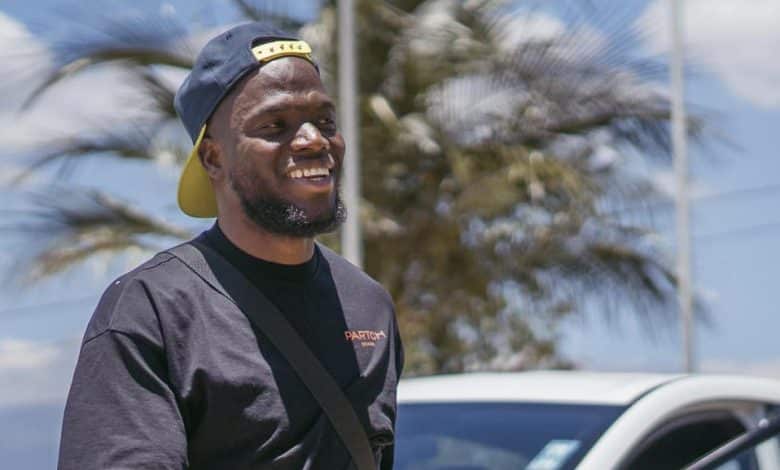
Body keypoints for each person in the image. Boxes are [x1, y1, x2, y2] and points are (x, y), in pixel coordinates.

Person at [58, 22, 403, 470]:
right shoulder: (153, 310)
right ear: (213, 158)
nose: (314, 140)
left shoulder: (369, 306)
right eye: (275, 125)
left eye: (325, 121)